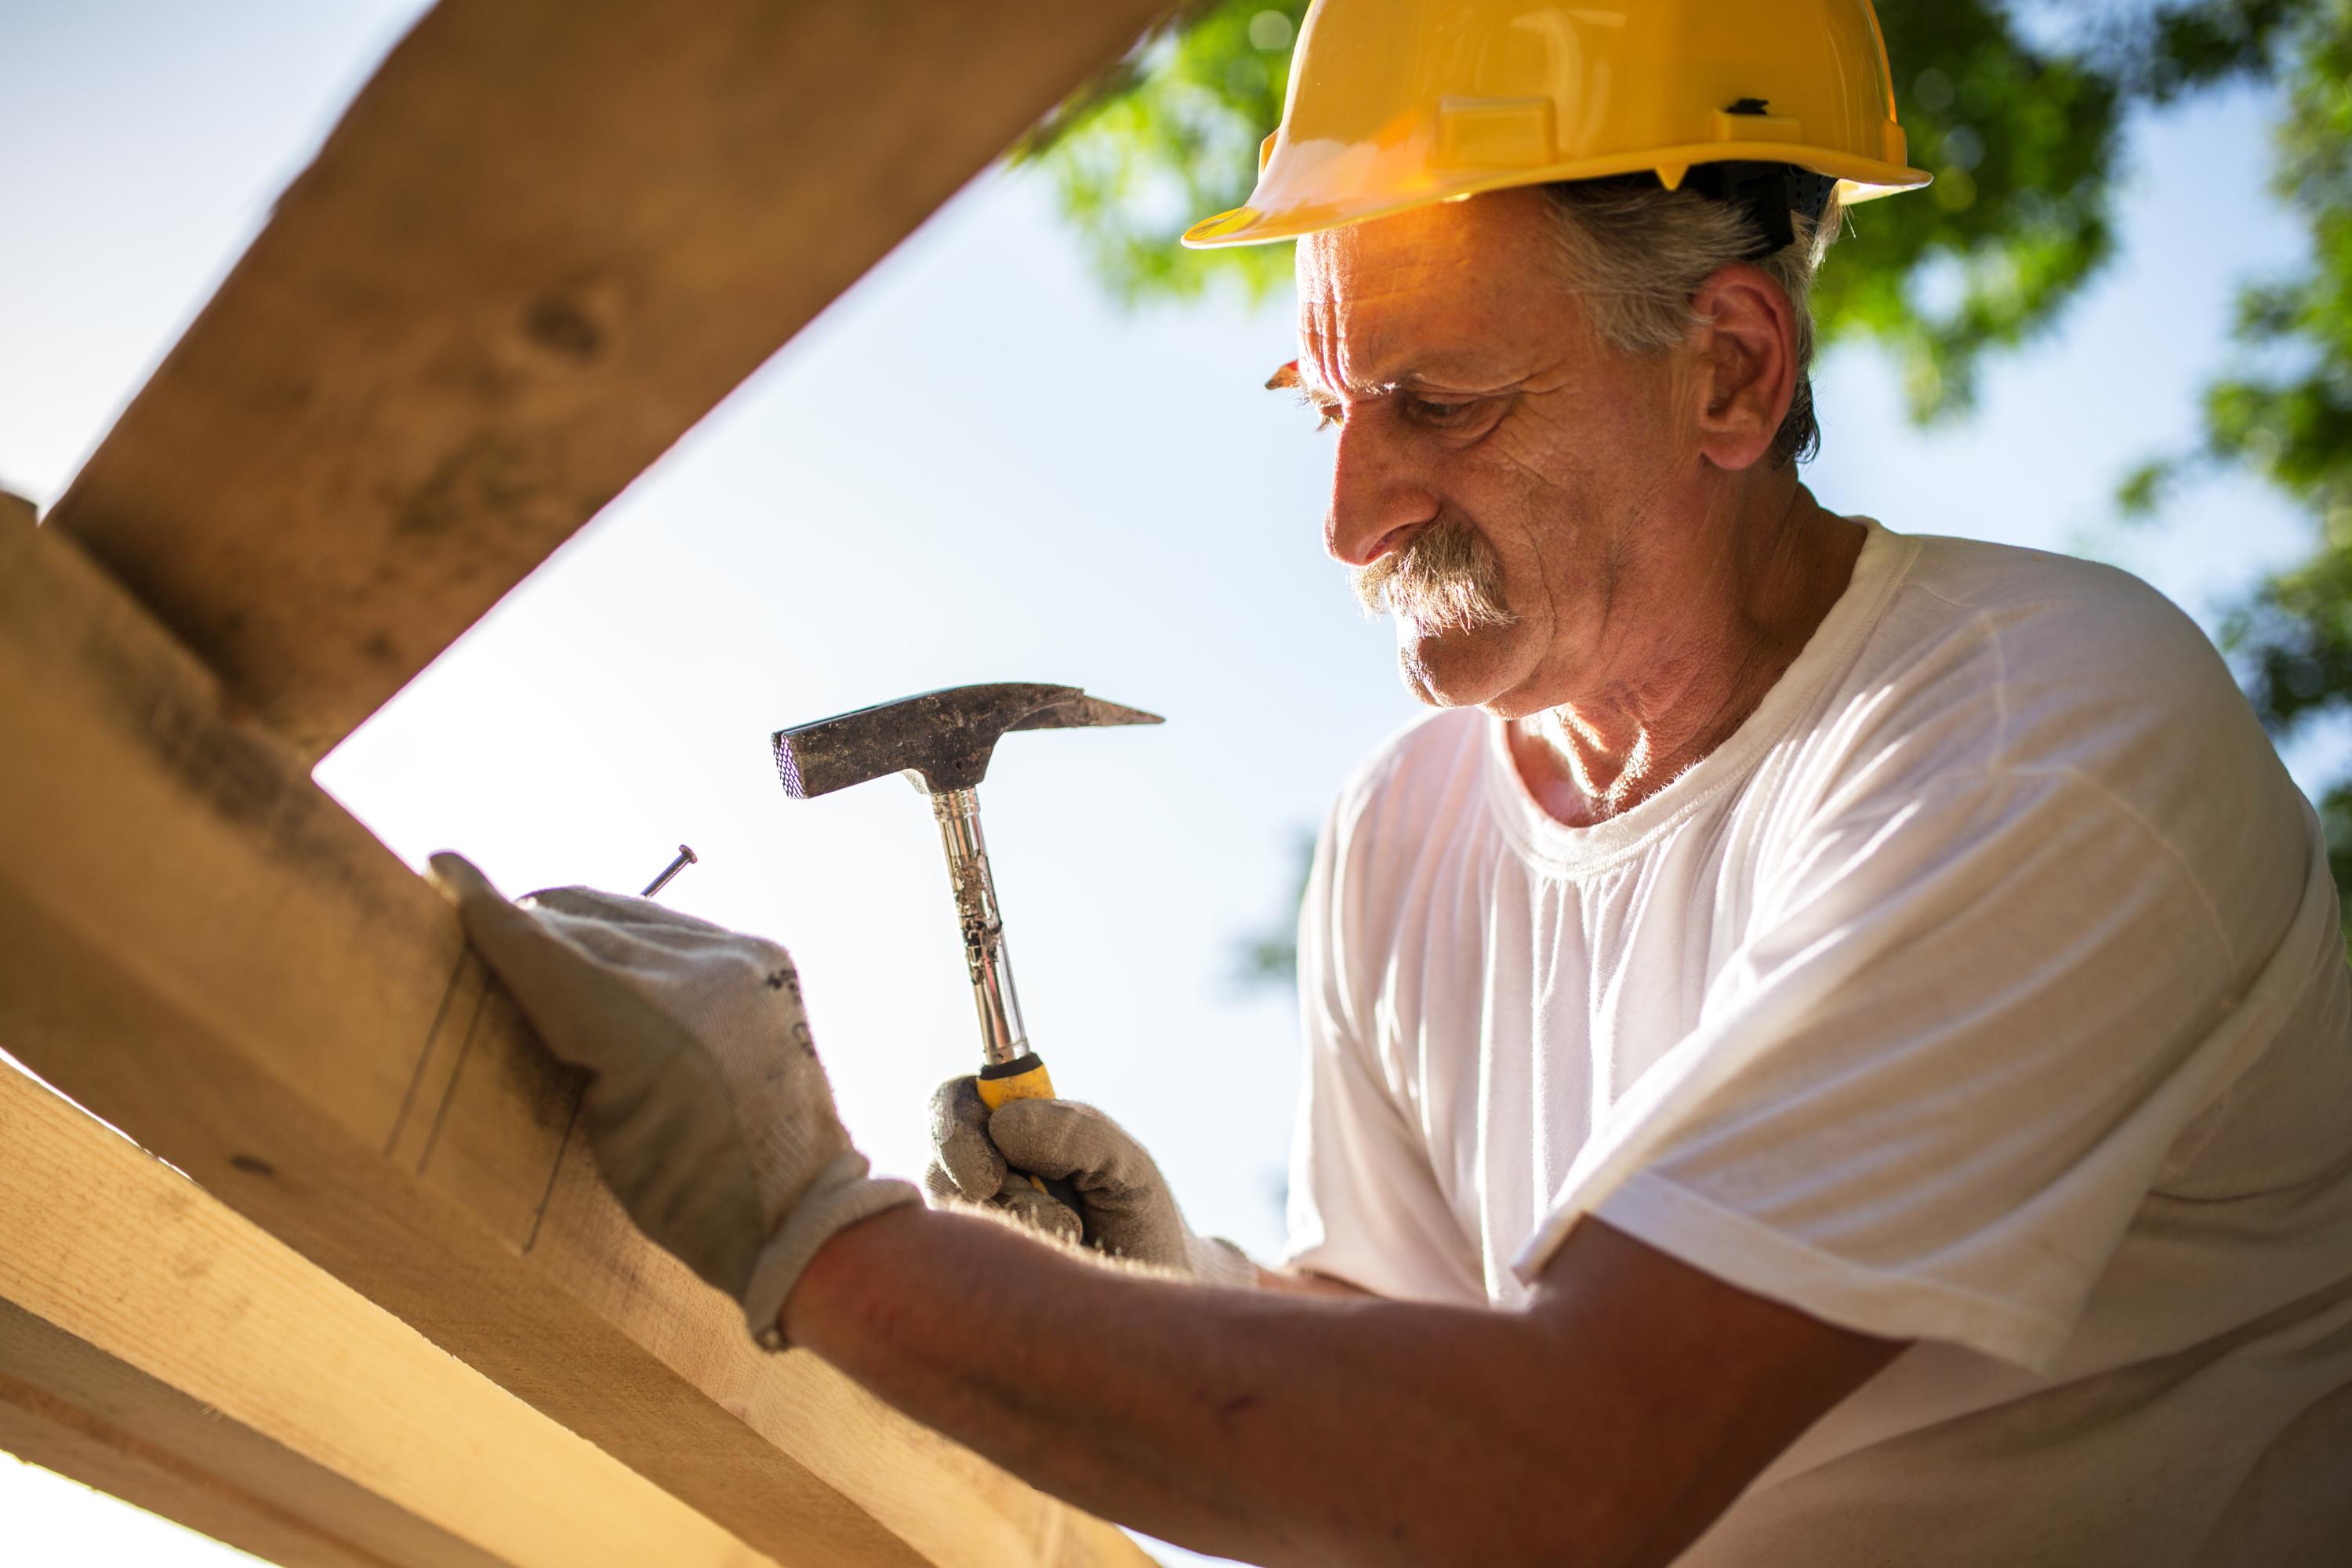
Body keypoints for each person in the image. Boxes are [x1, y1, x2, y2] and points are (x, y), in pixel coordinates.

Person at [430, 1, 2352, 1561]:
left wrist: (816, 1236)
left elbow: (1547, 1480)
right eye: (1327, 406)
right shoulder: (1407, 834)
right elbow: (1419, 1364)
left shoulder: (2037, 746)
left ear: (1733, 372)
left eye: (1438, 402)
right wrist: (1194, 1290)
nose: (1351, 516)